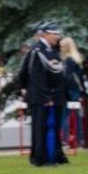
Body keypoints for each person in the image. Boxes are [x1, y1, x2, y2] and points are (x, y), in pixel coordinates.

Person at [21, 21, 69, 166]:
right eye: (55, 34)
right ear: (46, 35)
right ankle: (41, 158)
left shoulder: (51, 50)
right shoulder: (37, 51)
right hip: (42, 97)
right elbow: (36, 76)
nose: (57, 37)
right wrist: (45, 96)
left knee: (54, 127)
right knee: (41, 128)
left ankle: (55, 154)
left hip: (55, 95)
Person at [59, 37, 88, 147]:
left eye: (63, 47)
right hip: (74, 89)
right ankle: (78, 138)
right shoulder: (74, 60)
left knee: (66, 114)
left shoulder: (69, 61)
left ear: (67, 47)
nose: (61, 49)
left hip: (71, 89)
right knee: (75, 114)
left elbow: (70, 77)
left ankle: (65, 139)